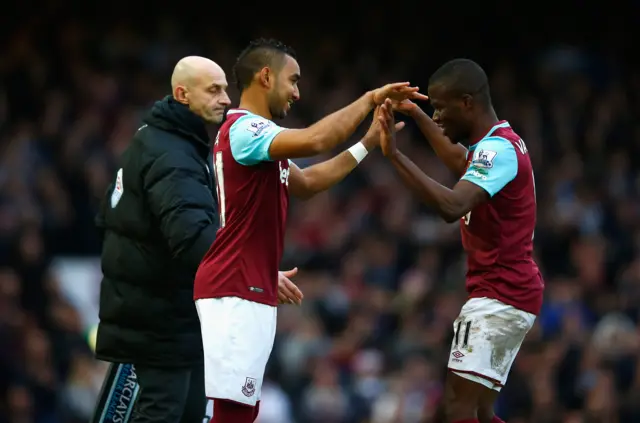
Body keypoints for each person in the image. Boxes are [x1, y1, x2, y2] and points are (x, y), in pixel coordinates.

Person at [193, 38, 427, 423]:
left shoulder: (258, 140)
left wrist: (367, 143)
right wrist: (369, 99)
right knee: (232, 416)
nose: (298, 92)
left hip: (246, 280)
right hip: (235, 284)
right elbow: (317, 140)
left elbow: (310, 182)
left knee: (239, 412)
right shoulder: (247, 129)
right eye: (293, 80)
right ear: (266, 77)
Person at [93, 56, 303, 423]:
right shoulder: (172, 154)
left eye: (225, 88)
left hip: (162, 312)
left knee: (183, 413)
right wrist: (255, 273)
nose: (226, 98)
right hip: (159, 319)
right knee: (164, 413)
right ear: (182, 94)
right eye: (214, 90)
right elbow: (192, 238)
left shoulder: (162, 140)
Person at [376, 59, 545, 423]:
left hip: (499, 293)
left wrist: (394, 155)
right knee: (481, 412)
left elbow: (452, 205)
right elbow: (457, 159)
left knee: (457, 408)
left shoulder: (498, 152)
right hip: (509, 291)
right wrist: (415, 114)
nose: (436, 115)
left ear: (467, 102)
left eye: (440, 107)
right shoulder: (497, 145)